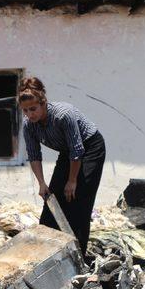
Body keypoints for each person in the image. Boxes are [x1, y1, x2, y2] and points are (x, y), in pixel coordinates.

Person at [18, 77, 106, 257]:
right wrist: (42, 183)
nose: (30, 114)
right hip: (67, 153)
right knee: (53, 198)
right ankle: (45, 253)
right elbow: (34, 155)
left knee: (78, 198)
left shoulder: (63, 115)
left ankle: (77, 256)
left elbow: (77, 150)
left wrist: (72, 181)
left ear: (43, 103)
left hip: (89, 148)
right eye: (26, 111)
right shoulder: (29, 126)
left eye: (33, 109)